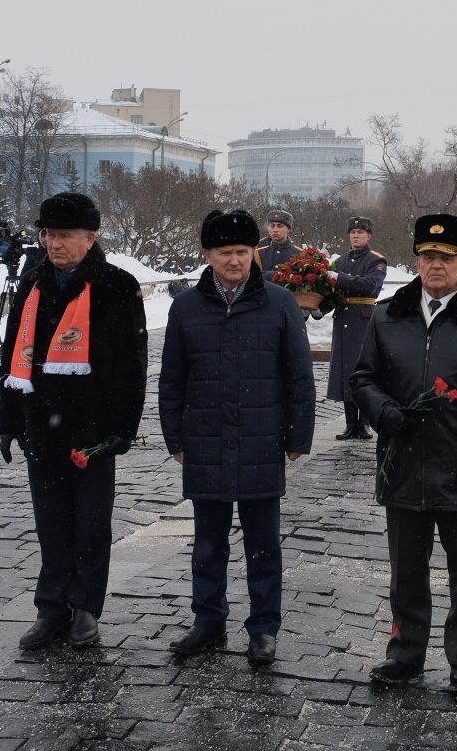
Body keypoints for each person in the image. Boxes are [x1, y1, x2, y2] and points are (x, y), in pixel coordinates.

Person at [351, 213, 457, 690]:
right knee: (406, 571)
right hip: (402, 465)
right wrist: (385, 412)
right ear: (415, 261)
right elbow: (362, 378)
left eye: (447, 258)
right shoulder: (388, 315)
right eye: (428, 257)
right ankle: (406, 652)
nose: (436, 266)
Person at [159, 209, 316, 666]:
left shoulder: (280, 302)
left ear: (254, 253)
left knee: (263, 545)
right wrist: (175, 437)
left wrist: (297, 437)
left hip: (261, 440)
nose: (234, 261)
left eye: (243, 252)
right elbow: (172, 378)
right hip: (205, 439)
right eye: (225, 252)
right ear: (207, 255)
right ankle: (208, 620)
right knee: (208, 544)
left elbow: (298, 377)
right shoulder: (186, 305)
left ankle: (263, 627)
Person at [0, 192, 148, 650]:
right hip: (41, 424)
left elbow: (132, 363)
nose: (53, 244)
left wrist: (123, 428)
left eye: (63, 235)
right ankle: (51, 608)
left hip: (92, 430)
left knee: (90, 524)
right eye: (47, 234)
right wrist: (8, 420)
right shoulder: (34, 283)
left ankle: (85, 608)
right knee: (51, 522)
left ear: (90, 238)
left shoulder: (117, 285)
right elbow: (13, 352)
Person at [327, 216, 387, 440]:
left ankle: (364, 424)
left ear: (369, 235)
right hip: (342, 318)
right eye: (353, 232)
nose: (356, 235)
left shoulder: (376, 260)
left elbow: (371, 286)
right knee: (345, 371)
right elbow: (332, 291)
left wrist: (339, 278)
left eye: (361, 232)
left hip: (363, 319)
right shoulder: (341, 260)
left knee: (362, 370)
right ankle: (351, 423)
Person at [254, 209, 301, 280]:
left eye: (280, 226)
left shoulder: (300, 254)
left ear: (289, 229)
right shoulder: (257, 254)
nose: (275, 230)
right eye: (272, 226)